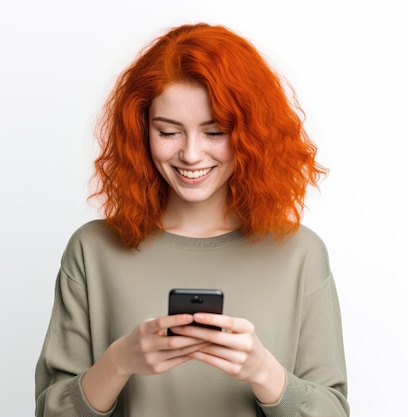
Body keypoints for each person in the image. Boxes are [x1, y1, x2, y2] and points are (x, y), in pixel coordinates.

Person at [35, 23, 348, 417]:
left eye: (214, 131)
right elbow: (51, 411)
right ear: (141, 130)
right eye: (169, 132)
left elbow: (332, 410)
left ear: (251, 134)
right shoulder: (93, 251)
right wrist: (120, 362)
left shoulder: (300, 254)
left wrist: (262, 371)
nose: (191, 154)